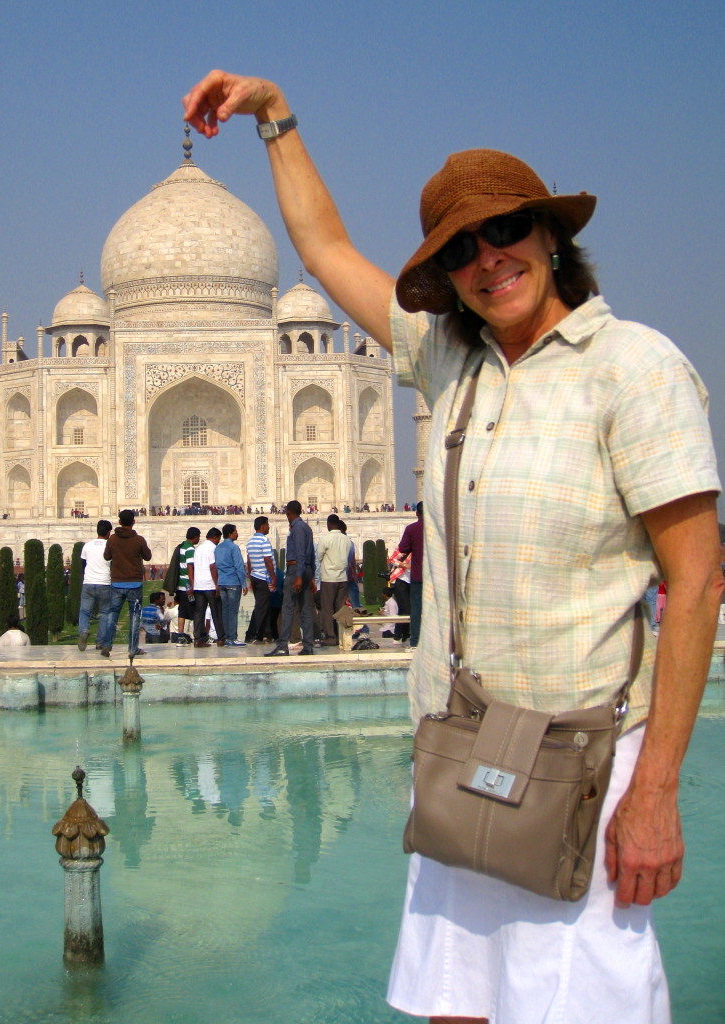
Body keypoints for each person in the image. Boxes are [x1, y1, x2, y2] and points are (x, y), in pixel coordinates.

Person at [184, 71, 722, 1023]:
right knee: (456, 1010)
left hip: (584, 763)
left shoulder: (635, 369)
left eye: (506, 231)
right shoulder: (448, 358)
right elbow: (323, 248)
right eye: (461, 247)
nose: (489, 259)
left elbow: (698, 579)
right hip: (462, 746)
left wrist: (658, 795)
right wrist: (276, 119)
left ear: (551, 236)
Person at [264, 500, 316, 656]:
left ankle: (282, 646)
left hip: (296, 570)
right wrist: (310, 575)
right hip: (305, 570)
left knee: (287, 608)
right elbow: (311, 555)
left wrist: (299, 576)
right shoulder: (306, 527)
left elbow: (300, 553)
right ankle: (308, 646)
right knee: (305, 608)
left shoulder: (298, 529)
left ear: (289, 513)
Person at [103, 509, 151, 659]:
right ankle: (132, 649)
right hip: (134, 584)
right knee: (135, 617)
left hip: (117, 583)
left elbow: (106, 556)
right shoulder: (139, 540)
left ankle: (107, 645)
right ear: (133, 522)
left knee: (112, 615)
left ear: (119, 522)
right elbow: (148, 556)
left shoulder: (112, 539)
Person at [315, 513, 353, 647]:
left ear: (329, 524)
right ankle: (341, 635)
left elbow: (318, 557)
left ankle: (331, 637)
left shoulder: (326, 539)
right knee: (340, 608)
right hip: (343, 578)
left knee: (327, 609)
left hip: (329, 578)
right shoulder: (347, 540)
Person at [77, 518, 113, 652]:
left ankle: (84, 631)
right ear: (109, 532)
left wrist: (87, 578)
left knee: (85, 612)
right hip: (104, 583)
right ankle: (100, 642)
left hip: (88, 583)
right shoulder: (110, 546)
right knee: (104, 613)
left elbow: (83, 565)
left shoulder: (87, 545)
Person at [244, 515, 277, 643]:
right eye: (267, 524)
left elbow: (249, 561)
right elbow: (267, 559)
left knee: (264, 605)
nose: (268, 527)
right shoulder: (264, 540)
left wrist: (251, 576)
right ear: (263, 526)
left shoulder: (250, 541)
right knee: (261, 607)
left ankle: (267, 634)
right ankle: (253, 634)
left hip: (255, 577)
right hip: (263, 577)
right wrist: (273, 576)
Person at [396, 502, 424, 647]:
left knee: (416, 609)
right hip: (437, 577)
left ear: (416, 513)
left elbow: (403, 549)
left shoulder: (412, 529)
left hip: (418, 575)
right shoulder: (440, 529)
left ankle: (415, 641)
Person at [214, 523, 247, 646]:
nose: (237, 534)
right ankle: (232, 637)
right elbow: (239, 567)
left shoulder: (218, 548)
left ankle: (226, 637)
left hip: (221, 582)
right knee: (233, 611)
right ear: (230, 534)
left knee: (225, 611)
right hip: (233, 582)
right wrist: (244, 584)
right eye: (235, 532)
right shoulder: (234, 548)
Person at [192, 528, 225, 648]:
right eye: (218, 539)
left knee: (199, 612)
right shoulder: (212, 548)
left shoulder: (199, 548)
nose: (218, 542)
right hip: (209, 584)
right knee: (216, 611)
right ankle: (221, 638)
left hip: (198, 584)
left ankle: (198, 639)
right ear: (215, 537)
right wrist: (217, 584)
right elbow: (212, 567)